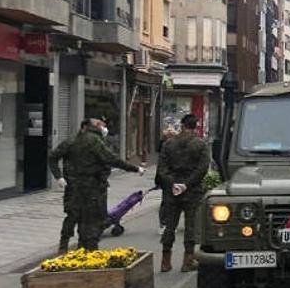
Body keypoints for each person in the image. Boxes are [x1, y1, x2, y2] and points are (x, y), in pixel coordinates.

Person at [49, 119, 145, 252]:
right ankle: (89, 250)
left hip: (73, 186)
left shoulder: (71, 141)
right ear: (89, 127)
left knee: (73, 215)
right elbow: (111, 159)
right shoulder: (94, 140)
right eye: (100, 125)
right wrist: (135, 169)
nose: (104, 127)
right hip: (93, 188)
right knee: (92, 220)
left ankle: (64, 245)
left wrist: (59, 177)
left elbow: (52, 157)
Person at [157, 114, 211, 272]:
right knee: (190, 226)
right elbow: (202, 168)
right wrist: (186, 185)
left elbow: (162, 168)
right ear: (196, 126)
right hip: (192, 190)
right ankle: (188, 260)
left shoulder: (169, 144)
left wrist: (173, 183)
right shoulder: (200, 145)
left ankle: (165, 260)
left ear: (182, 125)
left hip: (171, 191)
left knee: (170, 225)